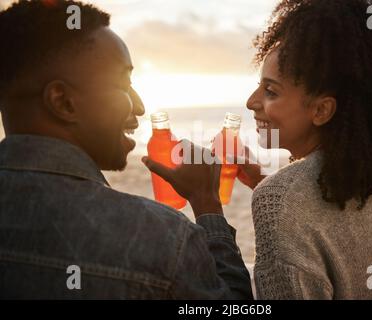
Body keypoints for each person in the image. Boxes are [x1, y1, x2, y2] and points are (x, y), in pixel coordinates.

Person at [0, 0, 252, 299]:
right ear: (63, 102)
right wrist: (207, 203)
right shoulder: (163, 239)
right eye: (123, 83)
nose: (141, 106)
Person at [235, 0, 372, 299]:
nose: (251, 101)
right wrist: (264, 181)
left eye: (271, 90)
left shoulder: (279, 199)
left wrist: (208, 206)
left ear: (322, 110)